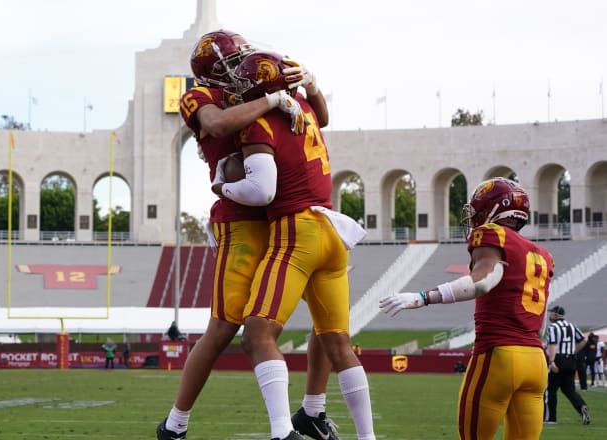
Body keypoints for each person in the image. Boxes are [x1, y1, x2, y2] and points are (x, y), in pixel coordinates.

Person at [157, 31, 338, 440]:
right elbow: (218, 123)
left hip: (286, 218)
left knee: (328, 321)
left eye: (242, 58)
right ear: (211, 75)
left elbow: (320, 118)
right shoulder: (203, 97)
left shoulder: (261, 80)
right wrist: (273, 100)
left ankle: (312, 410)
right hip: (240, 219)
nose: (241, 67)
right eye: (230, 64)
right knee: (223, 326)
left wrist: (310, 82)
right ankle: (175, 423)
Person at [212, 50, 374, 440]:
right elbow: (323, 115)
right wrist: (313, 86)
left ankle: (282, 432)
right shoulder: (302, 106)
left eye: (244, 82)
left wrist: (222, 186)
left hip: (296, 231)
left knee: (257, 334)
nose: (238, 88)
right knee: (338, 341)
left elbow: (263, 190)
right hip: (332, 233)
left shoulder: (261, 122)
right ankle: (366, 437)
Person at [379, 177, 553, 440]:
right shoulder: (542, 253)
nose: (474, 217)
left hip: (500, 354)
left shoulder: (494, 235)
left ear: (494, 209)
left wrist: (423, 297)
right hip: (535, 361)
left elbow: (483, 282)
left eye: (478, 210)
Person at [544, 305, 590, 425]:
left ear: (555, 315)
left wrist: (552, 361)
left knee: (550, 390)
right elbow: (583, 340)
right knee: (569, 390)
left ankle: (550, 418)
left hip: (558, 359)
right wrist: (573, 351)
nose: (550, 315)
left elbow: (553, 345)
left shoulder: (553, 327)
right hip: (570, 361)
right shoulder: (571, 326)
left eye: (551, 313)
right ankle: (581, 406)